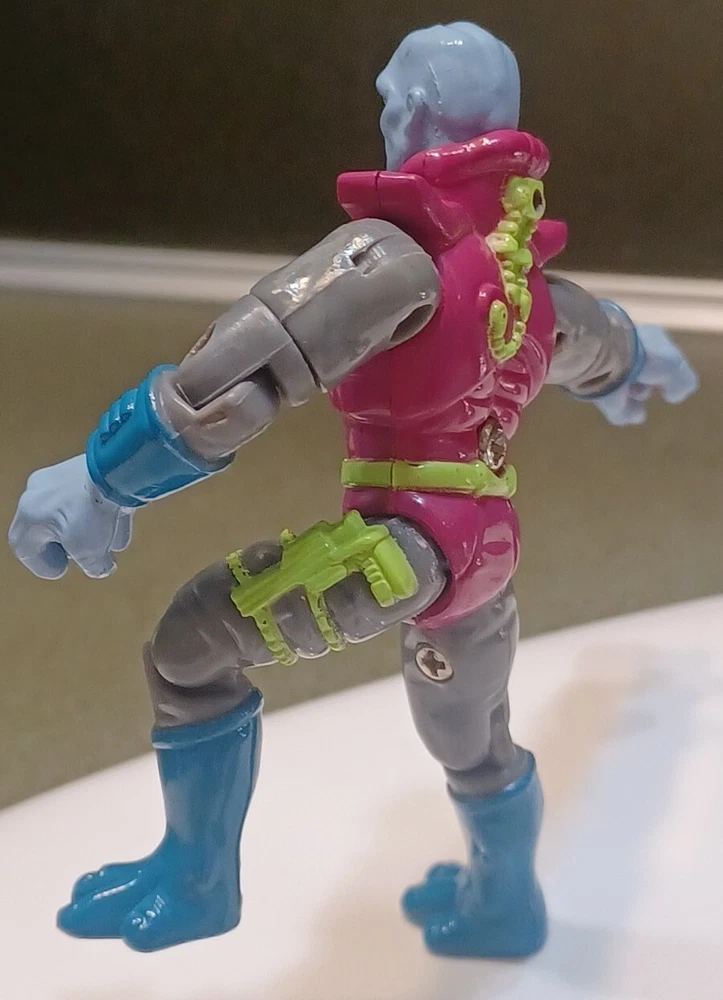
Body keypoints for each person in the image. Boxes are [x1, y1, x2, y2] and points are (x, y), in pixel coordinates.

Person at [9, 22, 697, 958]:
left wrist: (101, 480)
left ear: (410, 114)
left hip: (403, 546)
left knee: (189, 651)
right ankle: (503, 902)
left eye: (386, 101)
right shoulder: (529, 280)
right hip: (485, 546)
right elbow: (605, 344)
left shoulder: (387, 260)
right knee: (470, 740)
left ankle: (197, 878)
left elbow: (236, 384)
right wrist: (641, 365)